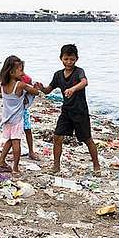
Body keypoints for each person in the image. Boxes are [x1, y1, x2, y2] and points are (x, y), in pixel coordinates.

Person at [37, 43, 101, 176]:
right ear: (61, 58)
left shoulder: (79, 72)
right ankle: (56, 166)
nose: (68, 62)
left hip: (80, 112)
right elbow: (48, 90)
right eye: (66, 59)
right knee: (57, 136)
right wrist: (41, 88)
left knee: (87, 139)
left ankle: (96, 166)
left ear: (76, 59)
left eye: (72, 59)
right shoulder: (58, 75)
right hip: (66, 111)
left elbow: (84, 82)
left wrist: (73, 89)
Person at [0, 55, 43, 175]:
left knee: (10, 141)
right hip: (16, 119)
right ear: (11, 72)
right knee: (16, 144)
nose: (23, 73)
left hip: (6, 118)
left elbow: (1, 95)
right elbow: (35, 92)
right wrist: (36, 88)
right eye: (20, 70)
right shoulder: (20, 85)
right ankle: (15, 168)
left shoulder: (3, 85)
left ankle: (1, 161)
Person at [19, 60, 39, 160]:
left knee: (27, 130)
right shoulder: (9, 81)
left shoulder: (26, 79)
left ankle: (31, 151)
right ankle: (15, 152)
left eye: (22, 69)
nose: (22, 72)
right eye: (20, 70)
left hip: (23, 109)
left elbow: (34, 91)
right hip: (14, 111)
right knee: (14, 134)